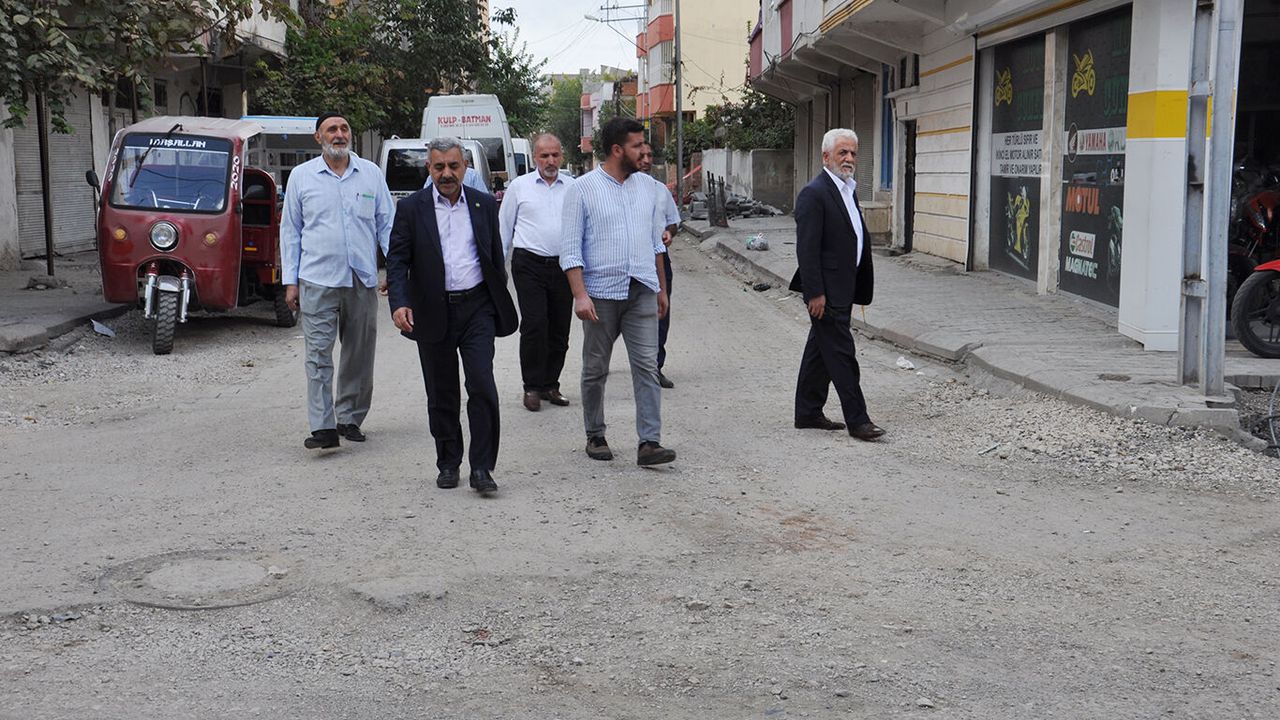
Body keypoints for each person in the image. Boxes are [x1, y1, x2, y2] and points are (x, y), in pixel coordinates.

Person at [386, 137, 518, 495]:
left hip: (477, 309)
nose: (447, 173)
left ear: (465, 168)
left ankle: (482, 468)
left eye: (453, 166)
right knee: (441, 391)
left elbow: (494, 256)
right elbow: (397, 260)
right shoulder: (411, 209)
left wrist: (494, 298)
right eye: (439, 166)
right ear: (428, 168)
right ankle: (448, 462)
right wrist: (399, 302)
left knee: (482, 385)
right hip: (432, 310)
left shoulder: (483, 204)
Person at [560, 117, 675, 467]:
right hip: (600, 294)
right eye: (637, 145)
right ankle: (595, 434)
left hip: (642, 289)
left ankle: (649, 442)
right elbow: (570, 249)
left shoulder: (650, 188)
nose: (645, 151)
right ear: (616, 150)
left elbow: (656, 242)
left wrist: (661, 288)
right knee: (596, 368)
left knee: (647, 366)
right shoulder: (582, 189)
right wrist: (580, 295)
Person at [281, 112, 393, 450]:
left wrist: (396, 271)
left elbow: (387, 224)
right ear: (319, 137)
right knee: (317, 355)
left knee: (359, 353)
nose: (339, 134)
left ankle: (349, 418)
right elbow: (291, 231)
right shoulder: (301, 177)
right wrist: (290, 281)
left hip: (361, 278)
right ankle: (323, 427)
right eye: (332, 129)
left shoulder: (370, 174)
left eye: (344, 128)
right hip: (317, 278)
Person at [790, 128, 885, 441]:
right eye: (843, 152)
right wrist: (814, 292)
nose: (849, 159)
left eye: (853, 153)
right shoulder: (814, 193)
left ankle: (807, 412)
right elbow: (807, 249)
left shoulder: (847, 190)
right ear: (826, 156)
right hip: (826, 293)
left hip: (844, 286)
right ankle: (859, 421)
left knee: (820, 352)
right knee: (843, 355)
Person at [498, 133, 576, 412]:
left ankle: (550, 384)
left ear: (562, 156)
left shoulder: (573, 187)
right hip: (528, 264)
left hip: (564, 266)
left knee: (560, 328)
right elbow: (503, 228)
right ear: (535, 158)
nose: (550, 161)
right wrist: (497, 268)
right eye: (544, 156)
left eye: (555, 155)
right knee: (534, 324)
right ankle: (531, 386)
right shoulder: (519, 187)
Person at [637, 142, 681, 389]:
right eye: (640, 155)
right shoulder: (617, 189)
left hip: (658, 259)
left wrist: (669, 232)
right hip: (626, 262)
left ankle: (655, 367)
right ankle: (602, 357)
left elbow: (673, 221)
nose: (646, 160)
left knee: (660, 314)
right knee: (615, 317)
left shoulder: (660, 190)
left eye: (649, 156)